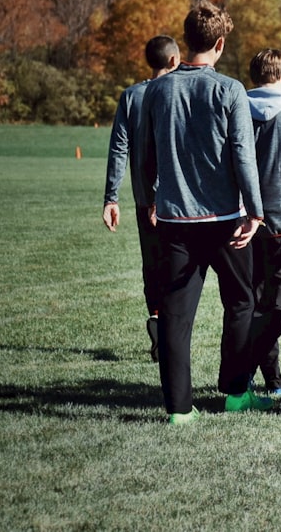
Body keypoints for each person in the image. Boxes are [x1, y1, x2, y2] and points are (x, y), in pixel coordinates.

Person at [138, 0, 272, 425]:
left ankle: (179, 409)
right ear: (219, 43)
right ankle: (235, 392)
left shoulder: (156, 89)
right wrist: (255, 210)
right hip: (225, 221)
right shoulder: (229, 89)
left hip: (175, 222)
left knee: (175, 316)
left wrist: (149, 202)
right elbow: (242, 154)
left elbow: (145, 156)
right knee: (240, 303)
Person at [102, 35, 180, 362]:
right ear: (175, 61)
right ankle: (171, 330)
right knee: (177, 266)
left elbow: (120, 147)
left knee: (152, 265)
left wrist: (111, 197)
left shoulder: (131, 96)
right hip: (175, 200)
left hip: (141, 198)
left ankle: (158, 318)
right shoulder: (177, 93)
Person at [246, 49, 281, 398]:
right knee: (280, 304)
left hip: (243, 221)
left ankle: (267, 377)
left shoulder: (236, 110)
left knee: (251, 303)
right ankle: (261, 373)